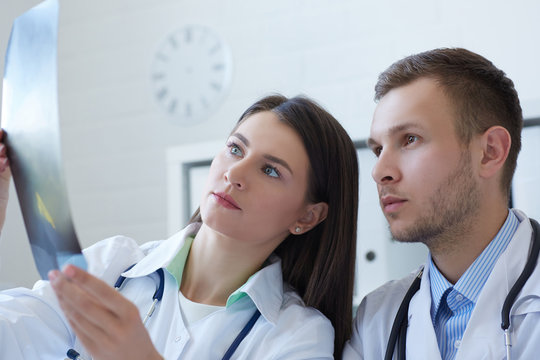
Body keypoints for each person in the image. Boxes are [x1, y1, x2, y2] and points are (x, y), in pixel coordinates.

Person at [0, 94, 359, 359]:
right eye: (235, 149)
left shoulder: (298, 336)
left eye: (270, 171)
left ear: (307, 217)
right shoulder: (113, 266)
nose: (234, 174)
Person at [343, 48, 540, 359]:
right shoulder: (376, 320)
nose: (379, 171)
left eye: (409, 139)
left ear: (489, 152)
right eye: (378, 149)